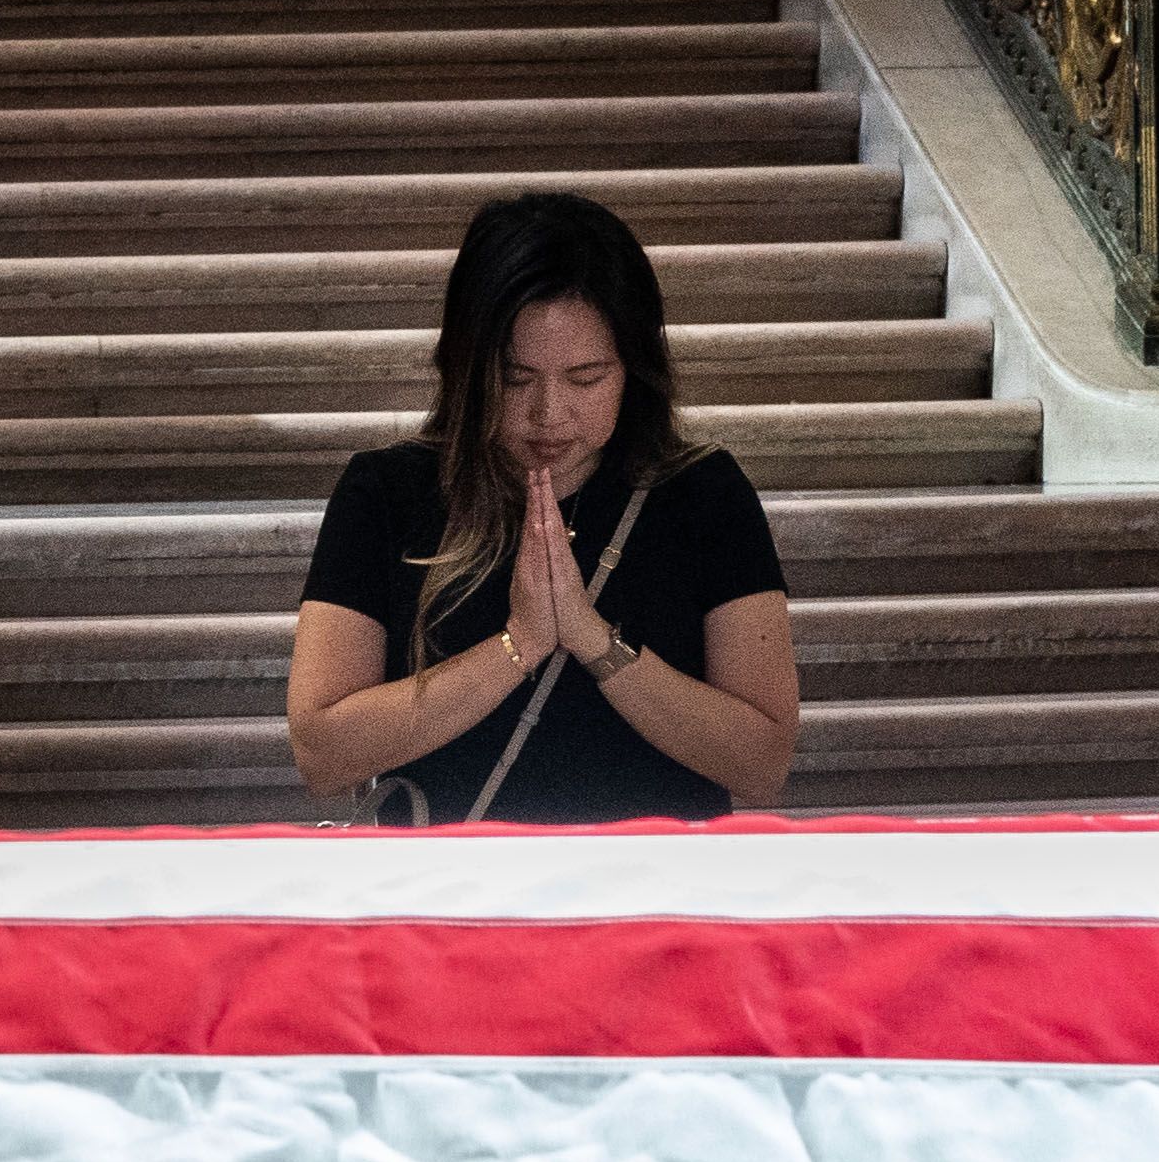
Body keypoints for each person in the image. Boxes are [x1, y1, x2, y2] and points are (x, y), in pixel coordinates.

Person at [286, 190, 803, 821]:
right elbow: (322, 751)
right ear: (465, 366)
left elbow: (762, 763)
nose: (548, 414)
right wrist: (520, 644)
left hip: (652, 894)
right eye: (515, 378)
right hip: (450, 898)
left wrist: (591, 638)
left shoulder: (703, 495)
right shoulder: (388, 492)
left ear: (634, 371)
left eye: (586, 378)